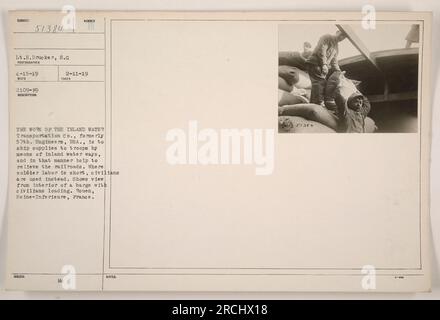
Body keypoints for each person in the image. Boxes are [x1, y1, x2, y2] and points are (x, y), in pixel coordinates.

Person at [306, 30, 347, 106]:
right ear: (337, 32)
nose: (342, 38)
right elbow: (322, 50)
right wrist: (324, 64)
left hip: (321, 66)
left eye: (344, 37)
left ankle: (313, 104)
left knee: (319, 84)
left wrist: (339, 71)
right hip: (315, 63)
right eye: (341, 35)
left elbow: (334, 61)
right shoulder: (327, 37)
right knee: (319, 82)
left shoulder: (336, 47)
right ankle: (317, 104)